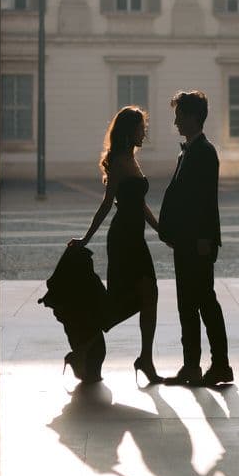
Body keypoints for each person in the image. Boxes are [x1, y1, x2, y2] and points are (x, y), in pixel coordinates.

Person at [65, 105, 161, 385]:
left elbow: (140, 204)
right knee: (131, 298)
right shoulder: (119, 160)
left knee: (148, 295)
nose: (144, 132)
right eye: (141, 128)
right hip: (122, 240)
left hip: (135, 237)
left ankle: (145, 359)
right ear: (129, 131)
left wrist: (161, 230)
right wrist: (86, 238)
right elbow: (107, 204)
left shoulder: (131, 158)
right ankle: (85, 345)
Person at [157, 89, 233, 387]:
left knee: (204, 302)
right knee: (187, 304)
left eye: (179, 115)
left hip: (197, 243)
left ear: (191, 117)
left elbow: (204, 201)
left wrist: (203, 239)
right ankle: (191, 366)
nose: (175, 121)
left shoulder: (203, 151)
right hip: (186, 242)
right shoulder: (188, 150)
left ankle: (220, 364)